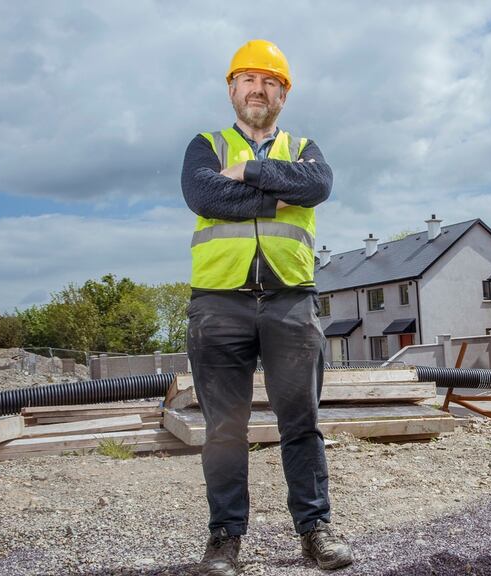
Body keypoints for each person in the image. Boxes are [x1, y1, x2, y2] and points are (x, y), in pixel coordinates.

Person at [180, 39, 353, 574]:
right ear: (232, 88)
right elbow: (204, 197)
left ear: (284, 93)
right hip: (218, 305)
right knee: (224, 429)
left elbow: (318, 184)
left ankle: (315, 530)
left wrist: (248, 173)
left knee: (301, 423)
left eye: (270, 82)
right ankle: (224, 539)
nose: (258, 89)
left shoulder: (304, 147)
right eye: (248, 80)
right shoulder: (206, 145)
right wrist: (278, 194)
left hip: (290, 303)